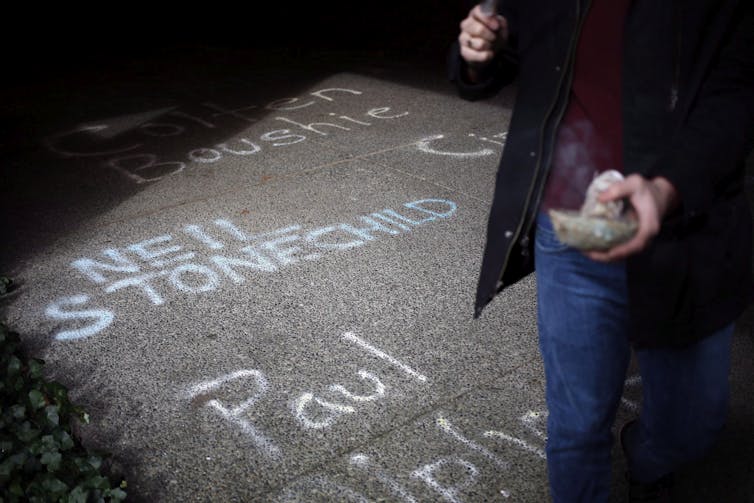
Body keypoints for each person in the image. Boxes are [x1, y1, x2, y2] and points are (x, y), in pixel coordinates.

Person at [449, 1, 754, 502]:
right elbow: (503, 50)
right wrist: (478, 50)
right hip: (575, 223)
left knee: (691, 427)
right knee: (577, 424)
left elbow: (738, 93)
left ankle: (650, 454)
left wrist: (667, 188)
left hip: (685, 231)